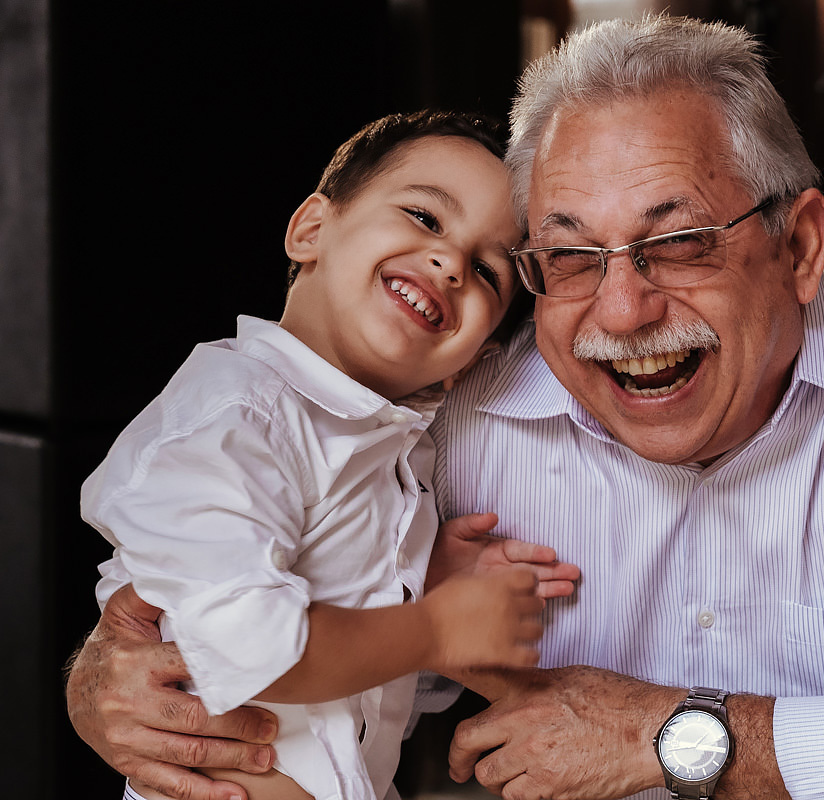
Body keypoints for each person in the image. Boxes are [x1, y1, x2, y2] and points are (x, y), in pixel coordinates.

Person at [65, 16, 824, 800]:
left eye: (678, 242)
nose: (622, 307)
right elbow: (252, 590)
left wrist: (674, 734)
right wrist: (110, 674)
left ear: (799, 246)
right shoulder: (445, 413)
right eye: (568, 256)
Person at [75, 109, 579, 800]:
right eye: (426, 218)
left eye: (489, 271)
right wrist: (434, 627)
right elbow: (252, 651)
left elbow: (372, 693)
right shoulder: (235, 415)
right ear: (311, 229)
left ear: (472, 362)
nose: (451, 263)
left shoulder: (391, 453)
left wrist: (420, 583)